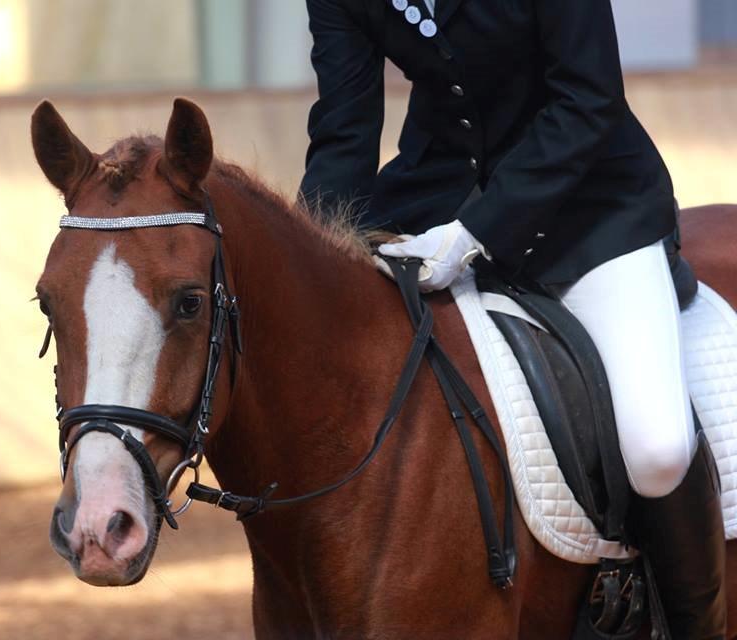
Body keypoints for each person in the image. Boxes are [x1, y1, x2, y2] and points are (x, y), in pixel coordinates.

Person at [298, 0, 726, 637]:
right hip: (433, 200)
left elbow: (587, 97)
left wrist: (478, 232)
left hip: (592, 206)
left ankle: (699, 628)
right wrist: (318, 256)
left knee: (657, 448)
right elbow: (343, 126)